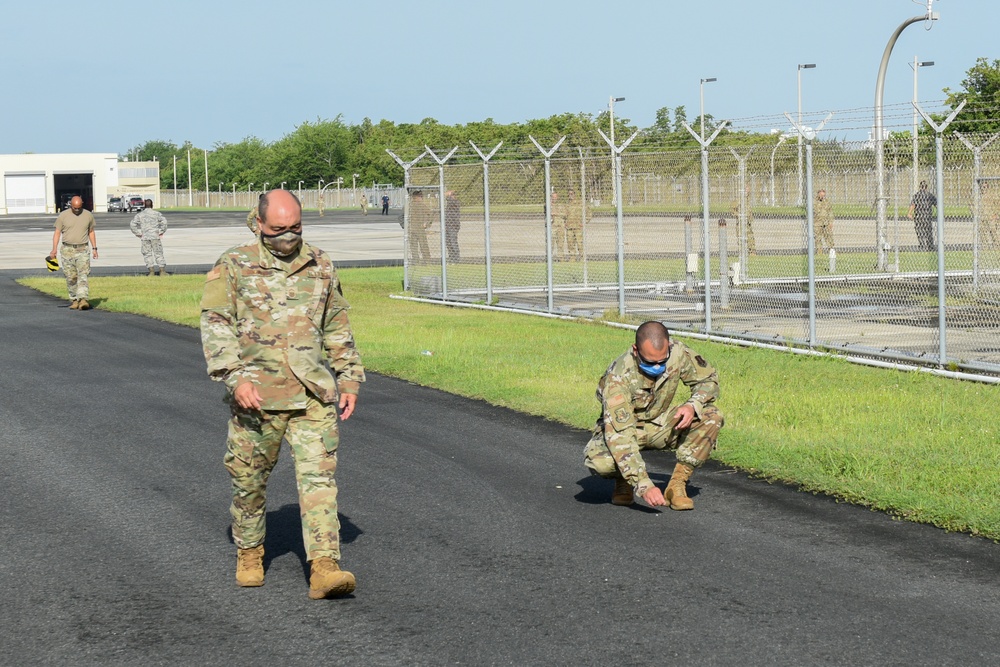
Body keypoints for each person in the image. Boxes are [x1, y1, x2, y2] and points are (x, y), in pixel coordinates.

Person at [200, 189, 365, 599]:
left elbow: (337, 323)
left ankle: (325, 567)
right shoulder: (233, 264)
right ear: (258, 224)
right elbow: (216, 324)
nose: (287, 237)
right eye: (278, 229)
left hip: (312, 397)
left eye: (295, 228)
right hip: (255, 398)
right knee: (249, 483)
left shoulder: (321, 264)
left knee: (319, 483)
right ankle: (251, 552)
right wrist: (235, 377)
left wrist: (349, 378)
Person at [583, 321, 724, 510]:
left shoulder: (677, 352)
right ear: (635, 350)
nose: (657, 367)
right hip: (623, 429)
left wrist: (693, 405)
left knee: (711, 416)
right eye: (650, 362)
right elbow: (620, 436)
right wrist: (644, 485)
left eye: (662, 361)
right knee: (601, 462)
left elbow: (708, 380)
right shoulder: (618, 378)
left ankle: (676, 485)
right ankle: (623, 481)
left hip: (659, 424)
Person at [49, 195, 98, 310]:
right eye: (74, 208)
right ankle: (74, 299)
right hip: (67, 250)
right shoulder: (63, 216)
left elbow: (91, 232)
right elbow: (57, 233)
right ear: (71, 205)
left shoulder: (88, 215)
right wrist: (54, 248)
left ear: (82, 204)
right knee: (71, 277)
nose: (77, 210)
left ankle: (83, 299)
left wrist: (95, 248)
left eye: (79, 208)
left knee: (83, 275)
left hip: (83, 249)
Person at [130, 199, 169, 275]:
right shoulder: (157, 214)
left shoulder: (140, 215)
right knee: (158, 253)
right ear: (152, 205)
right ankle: (162, 271)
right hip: (155, 237)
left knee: (147, 254)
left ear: (144, 205)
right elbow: (164, 222)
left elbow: (132, 224)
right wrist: (161, 232)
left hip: (145, 238)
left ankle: (151, 271)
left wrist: (138, 234)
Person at [907, 180, 937, 252]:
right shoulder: (930, 195)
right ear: (926, 187)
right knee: (928, 231)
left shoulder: (917, 195)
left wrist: (909, 213)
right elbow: (936, 205)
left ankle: (922, 246)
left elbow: (913, 205)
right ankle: (930, 246)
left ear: (920, 187)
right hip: (927, 216)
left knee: (920, 231)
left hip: (919, 216)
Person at [407, 190, 433, 262]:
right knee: (423, 245)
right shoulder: (421, 205)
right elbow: (430, 214)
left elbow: (401, 217)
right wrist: (427, 224)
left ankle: (416, 261)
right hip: (419, 228)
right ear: (417, 197)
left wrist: (405, 225)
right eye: (421, 196)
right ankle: (427, 260)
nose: (422, 198)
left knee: (414, 246)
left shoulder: (408, 205)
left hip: (411, 228)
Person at [564, 190, 590, 261]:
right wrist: (565, 223)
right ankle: (572, 257)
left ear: (574, 195)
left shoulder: (580, 203)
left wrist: (584, 222)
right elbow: (563, 215)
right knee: (570, 243)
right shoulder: (567, 205)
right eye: (569, 194)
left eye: (572, 194)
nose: (570, 195)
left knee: (580, 243)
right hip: (569, 227)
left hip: (578, 227)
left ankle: (582, 257)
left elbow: (588, 214)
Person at [732, 185, 755, 255]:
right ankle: (741, 252)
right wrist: (738, 215)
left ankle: (752, 251)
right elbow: (732, 210)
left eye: (748, 190)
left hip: (748, 222)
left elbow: (749, 211)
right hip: (741, 223)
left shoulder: (748, 200)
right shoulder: (738, 200)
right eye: (746, 190)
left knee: (750, 237)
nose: (747, 191)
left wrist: (750, 218)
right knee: (741, 238)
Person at [813, 189, 834, 257]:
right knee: (818, 238)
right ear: (818, 194)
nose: (822, 197)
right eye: (821, 195)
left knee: (829, 237)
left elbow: (830, 212)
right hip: (817, 223)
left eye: (824, 195)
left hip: (826, 223)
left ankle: (831, 250)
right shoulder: (814, 202)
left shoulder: (827, 202)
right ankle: (819, 252)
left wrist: (830, 222)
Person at [444, 190, 461, 262]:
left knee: (453, 241)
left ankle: (456, 258)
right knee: (448, 242)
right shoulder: (450, 203)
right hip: (448, 225)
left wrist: (448, 195)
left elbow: (450, 200)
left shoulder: (455, 202)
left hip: (453, 225)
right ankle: (451, 257)